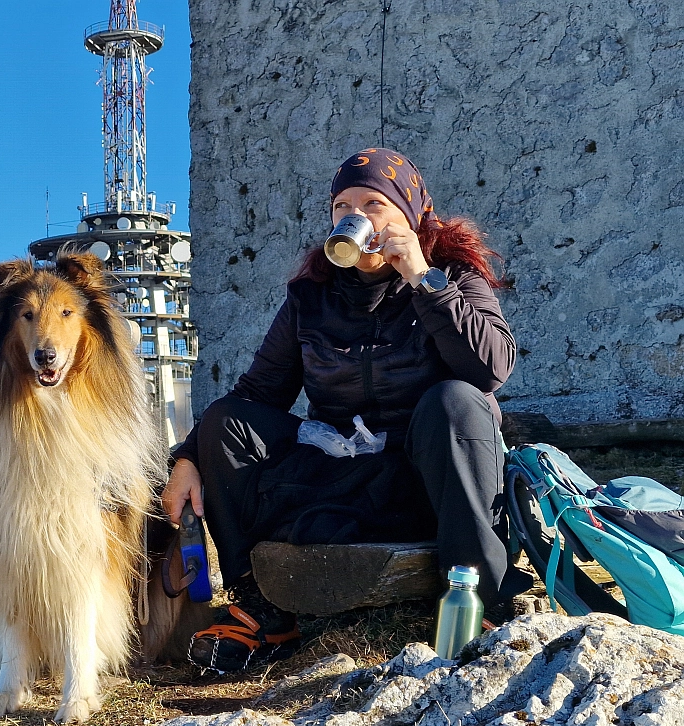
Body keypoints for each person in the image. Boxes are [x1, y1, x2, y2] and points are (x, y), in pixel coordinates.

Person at [161, 147, 534, 673]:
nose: (355, 217)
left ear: (411, 214)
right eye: (342, 206)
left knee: (457, 401)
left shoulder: (450, 276)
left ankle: (481, 601)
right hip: (343, 478)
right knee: (226, 421)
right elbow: (256, 393)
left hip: (427, 480)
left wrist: (424, 278)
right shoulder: (310, 297)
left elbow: (490, 369)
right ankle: (263, 614)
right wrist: (187, 457)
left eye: (374, 203)